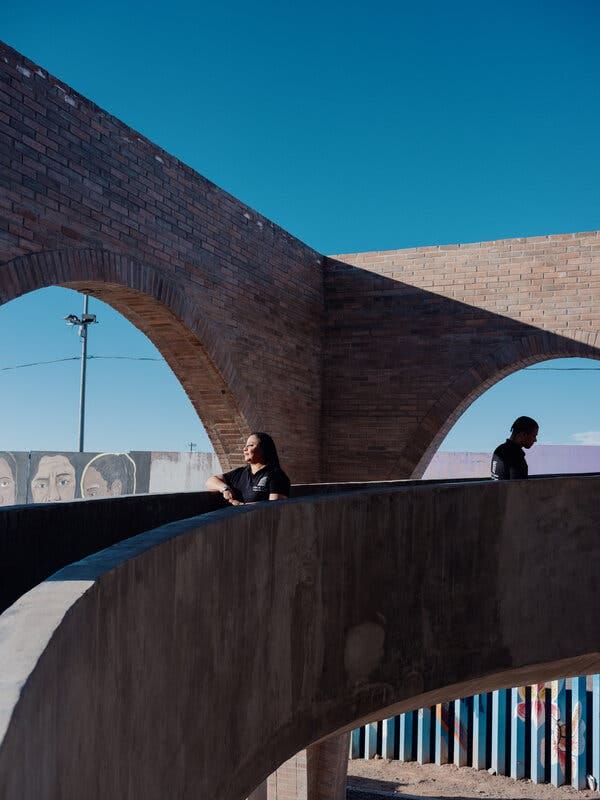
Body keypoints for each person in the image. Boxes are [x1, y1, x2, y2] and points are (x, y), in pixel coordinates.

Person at [206, 432, 290, 505]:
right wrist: (225, 489)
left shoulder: (276, 475)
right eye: (245, 446)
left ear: (263, 449)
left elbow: (274, 508)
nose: (244, 449)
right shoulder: (240, 473)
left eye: (250, 445)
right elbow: (210, 481)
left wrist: (241, 506)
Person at [491, 416, 539, 480]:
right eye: (534, 436)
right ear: (523, 434)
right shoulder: (516, 456)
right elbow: (518, 487)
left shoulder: (499, 450)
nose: (535, 440)